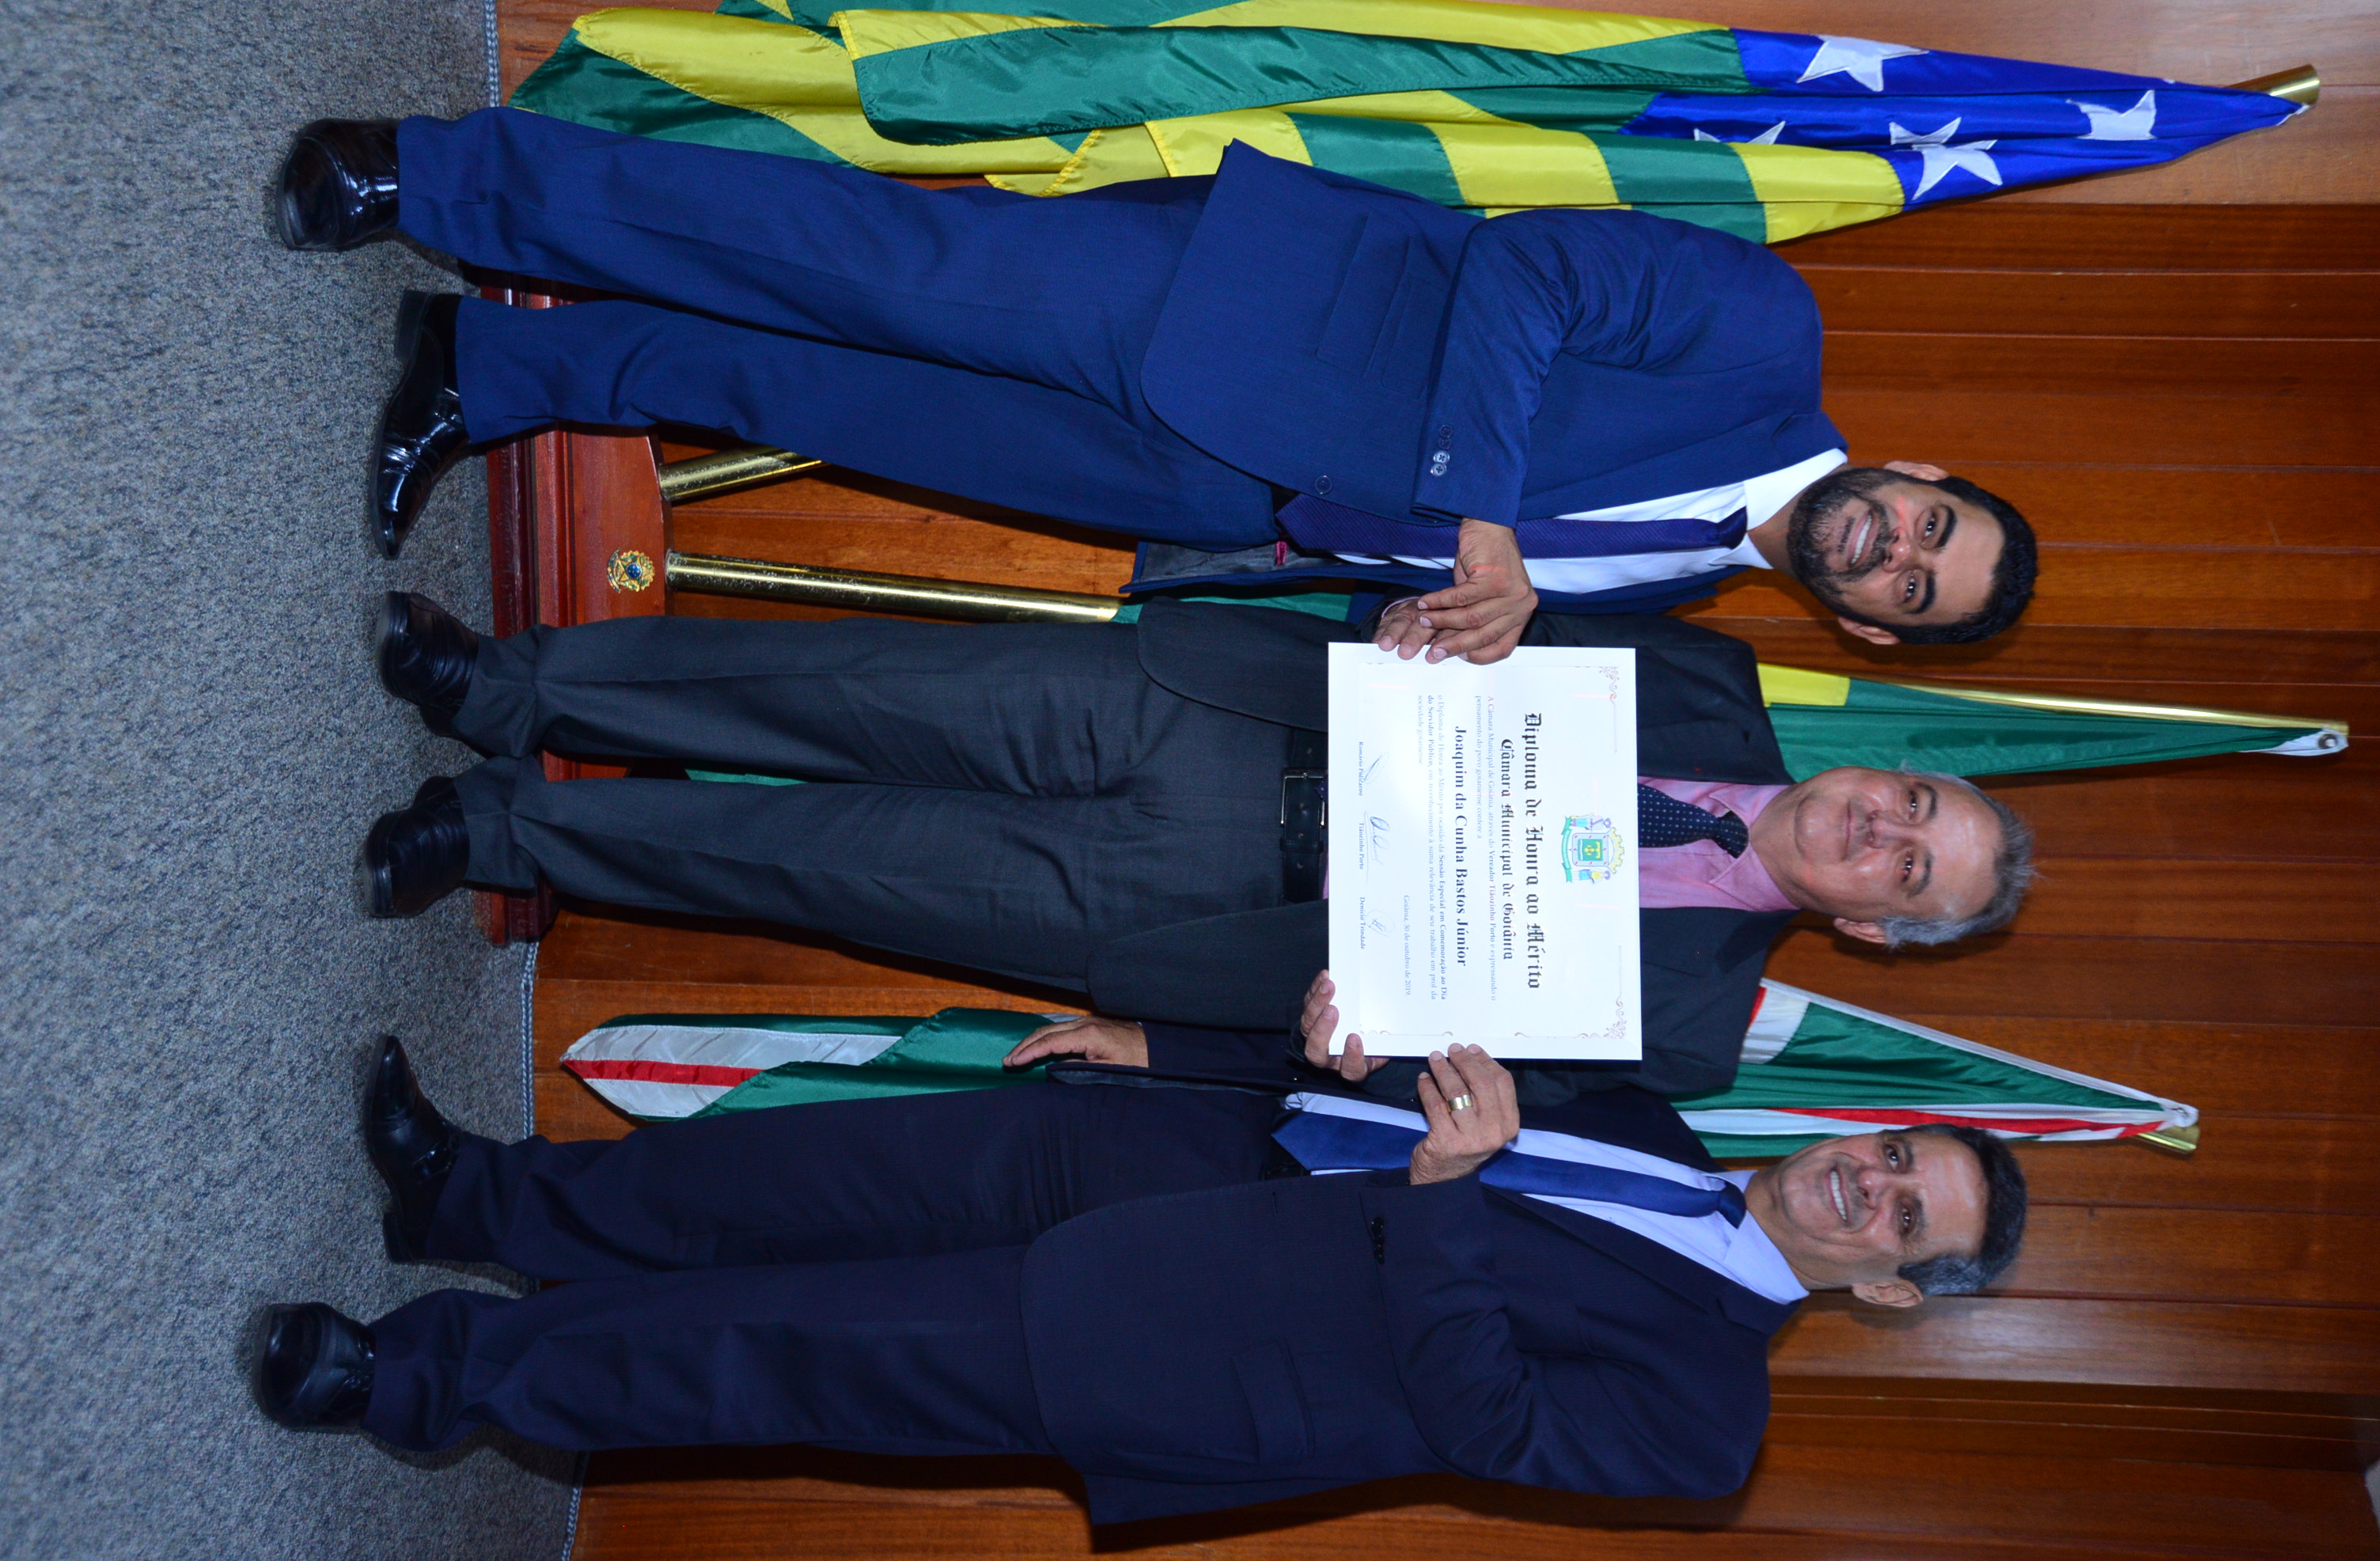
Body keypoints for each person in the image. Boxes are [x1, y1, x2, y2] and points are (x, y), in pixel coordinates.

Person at [274, 109, 2037, 661]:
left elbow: (1445, 565)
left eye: (1909, 588)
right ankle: (432, 177)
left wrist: (1406, 618)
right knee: (841, 254)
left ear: (1867, 628)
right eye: (1929, 528)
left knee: (816, 396)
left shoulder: (1688, 592)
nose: (1893, 549)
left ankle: (491, 365)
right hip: (1235, 310)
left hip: (1212, 496)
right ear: (1929, 470)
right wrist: (1485, 521)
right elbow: (1528, 268)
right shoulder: (1766, 338)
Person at [253, 1033, 2028, 1523]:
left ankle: (416, 1381)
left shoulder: (1708, 1423)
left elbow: (1487, 1418)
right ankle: (471, 1191)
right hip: (1178, 1149)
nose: (1870, 1185)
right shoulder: (1651, 1116)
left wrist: (1443, 1198)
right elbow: (1410, 1057)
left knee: (764, 1346)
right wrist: (1210, 1042)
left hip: (1175, 1345)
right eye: (1895, 1154)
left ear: (1887, 1292)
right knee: (782, 1181)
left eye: (1903, 1219)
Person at [359, 592, 2034, 1098]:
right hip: (1226, 712)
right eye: (1916, 802)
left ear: (1874, 933)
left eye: (1910, 870)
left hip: (1215, 920)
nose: (1883, 828)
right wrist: (1445, 603)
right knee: (839, 686)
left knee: (821, 863)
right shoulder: (1710, 673)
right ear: (1893, 766)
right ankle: (505, 686)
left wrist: (1361, 1056)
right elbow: (1495, 589)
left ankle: (497, 829)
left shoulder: (1688, 1029)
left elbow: (1453, 1086)